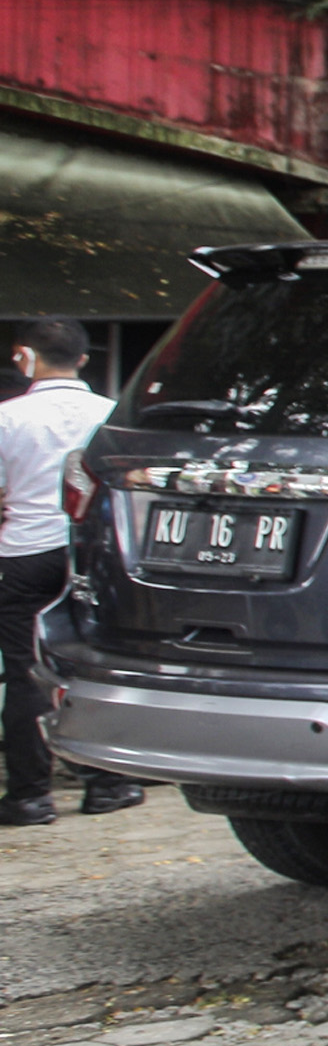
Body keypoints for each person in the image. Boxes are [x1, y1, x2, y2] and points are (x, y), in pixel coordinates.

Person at [0, 319, 141, 827]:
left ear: (24, 357)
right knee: (94, 666)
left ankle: (30, 795)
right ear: (83, 359)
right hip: (93, 555)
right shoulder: (113, 416)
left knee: (25, 669)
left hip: (25, 553)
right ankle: (109, 783)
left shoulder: (8, 417)